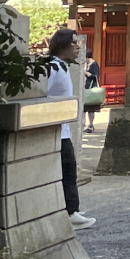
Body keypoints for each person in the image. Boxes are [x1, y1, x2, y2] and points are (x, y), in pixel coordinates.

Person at [46, 29, 95, 229]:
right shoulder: (53, 67)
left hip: (63, 129)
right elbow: (43, 94)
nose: (78, 47)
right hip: (56, 129)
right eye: (74, 43)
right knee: (67, 169)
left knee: (68, 169)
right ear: (63, 44)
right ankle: (70, 212)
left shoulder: (61, 66)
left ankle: (71, 209)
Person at [83, 45, 102, 133]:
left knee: (91, 109)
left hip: (92, 88)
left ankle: (91, 125)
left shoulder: (94, 64)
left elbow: (95, 76)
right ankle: (85, 124)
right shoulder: (86, 64)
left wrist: (87, 73)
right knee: (85, 108)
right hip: (86, 87)